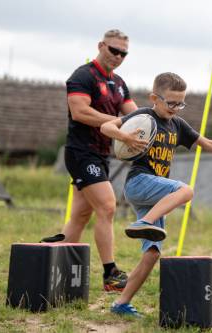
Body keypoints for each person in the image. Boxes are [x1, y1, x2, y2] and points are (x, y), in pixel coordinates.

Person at [100, 72, 212, 316]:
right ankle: (144, 222)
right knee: (186, 190)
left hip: (155, 195)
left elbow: (208, 143)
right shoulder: (144, 116)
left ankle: (121, 304)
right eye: (171, 102)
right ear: (154, 98)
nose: (176, 108)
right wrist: (125, 136)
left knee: (152, 253)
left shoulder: (177, 125)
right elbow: (106, 126)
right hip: (138, 182)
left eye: (180, 103)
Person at [61, 29, 142, 292]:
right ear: (101, 46)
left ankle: (57, 266)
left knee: (80, 216)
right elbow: (80, 111)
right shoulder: (83, 75)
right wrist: (117, 124)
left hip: (102, 154)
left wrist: (159, 124)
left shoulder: (119, 82)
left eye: (123, 53)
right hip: (81, 152)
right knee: (107, 206)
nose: (118, 56)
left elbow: (136, 115)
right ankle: (110, 274)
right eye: (113, 50)